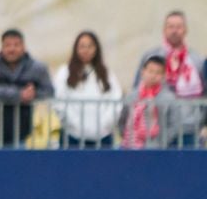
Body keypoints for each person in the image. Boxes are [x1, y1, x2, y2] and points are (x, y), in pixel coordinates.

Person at [137, 12, 204, 147]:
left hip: (189, 128)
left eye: (179, 27)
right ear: (164, 30)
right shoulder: (151, 56)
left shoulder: (197, 60)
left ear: (185, 30)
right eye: (170, 26)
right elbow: (137, 89)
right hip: (157, 130)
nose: (175, 31)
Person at [0, 28, 54, 148]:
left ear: (24, 46)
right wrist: (19, 95)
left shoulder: (37, 68)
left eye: (16, 45)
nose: (12, 49)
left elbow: (49, 91)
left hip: (26, 134)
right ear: (2, 47)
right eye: (7, 45)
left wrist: (33, 94)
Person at [53, 30, 122, 149]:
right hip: (72, 136)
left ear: (96, 49)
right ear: (76, 49)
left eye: (90, 46)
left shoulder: (107, 73)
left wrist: (105, 124)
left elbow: (116, 99)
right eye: (82, 46)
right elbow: (59, 101)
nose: (86, 50)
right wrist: (73, 124)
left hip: (102, 136)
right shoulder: (64, 72)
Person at [126, 56, 177, 149]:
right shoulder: (132, 96)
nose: (153, 76)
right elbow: (123, 120)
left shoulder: (169, 98)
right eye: (150, 71)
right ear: (142, 72)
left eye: (158, 73)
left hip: (158, 148)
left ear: (164, 76)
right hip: (132, 147)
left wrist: (164, 142)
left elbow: (173, 124)